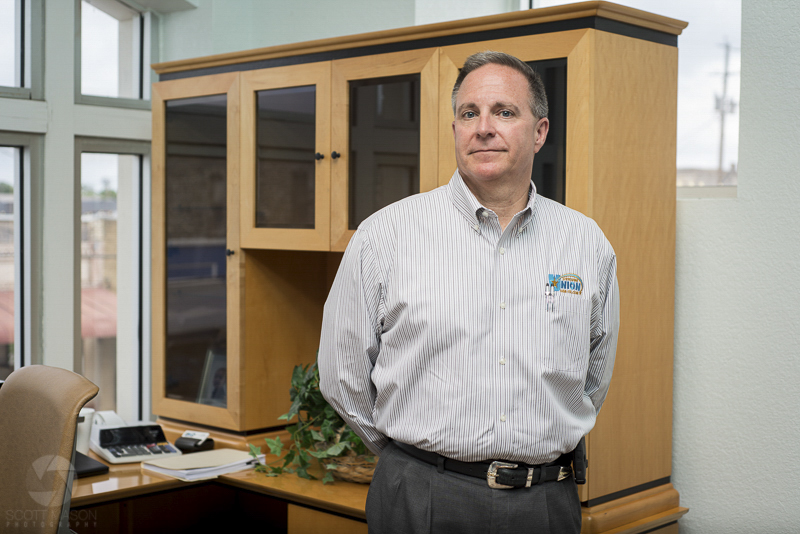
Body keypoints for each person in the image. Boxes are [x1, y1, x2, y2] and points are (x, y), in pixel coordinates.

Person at [318, 51, 619, 534]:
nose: (483, 127)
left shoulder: (586, 244)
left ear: (539, 131)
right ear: (456, 128)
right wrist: (414, 459)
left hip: (544, 504)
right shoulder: (385, 236)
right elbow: (341, 376)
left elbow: (592, 379)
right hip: (421, 497)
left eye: (504, 111)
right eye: (468, 113)